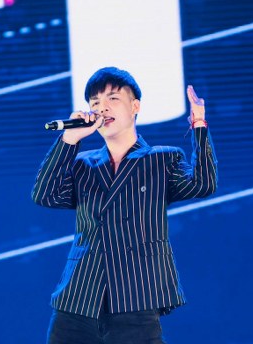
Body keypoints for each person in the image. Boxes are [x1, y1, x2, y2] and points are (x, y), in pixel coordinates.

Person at [32, 66, 218, 344]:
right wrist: (69, 140)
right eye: (95, 102)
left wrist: (199, 124)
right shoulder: (83, 164)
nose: (102, 108)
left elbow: (203, 184)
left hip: (135, 298)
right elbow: (45, 195)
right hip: (79, 298)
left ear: (135, 106)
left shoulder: (163, 159)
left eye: (112, 98)